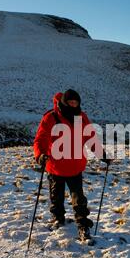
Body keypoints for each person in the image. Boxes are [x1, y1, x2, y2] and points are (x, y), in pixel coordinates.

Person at [33, 89, 111, 241]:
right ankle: (58, 218)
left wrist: (102, 155)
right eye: (71, 103)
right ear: (64, 102)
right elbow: (40, 139)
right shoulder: (51, 117)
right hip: (55, 166)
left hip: (75, 165)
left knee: (79, 199)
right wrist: (40, 155)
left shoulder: (81, 117)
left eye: (76, 103)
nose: (74, 105)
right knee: (56, 196)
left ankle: (83, 226)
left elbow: (90, 138)